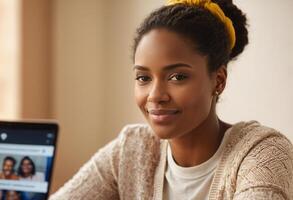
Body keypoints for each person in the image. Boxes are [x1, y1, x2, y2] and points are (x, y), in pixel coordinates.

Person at [50, 0, 293, 199]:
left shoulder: (262, 154)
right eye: (143, 78)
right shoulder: (132, 150)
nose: (155, 95)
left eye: (177, 76)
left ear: (218, 80)